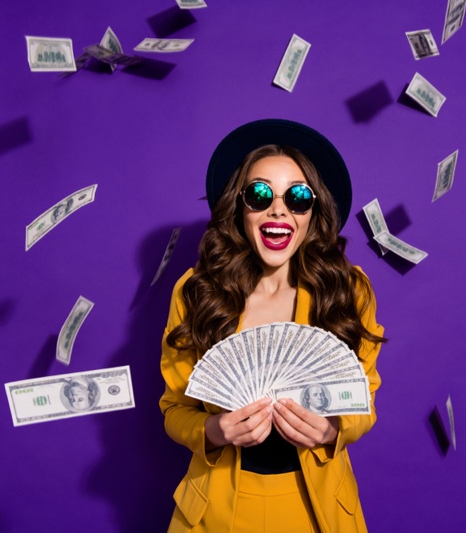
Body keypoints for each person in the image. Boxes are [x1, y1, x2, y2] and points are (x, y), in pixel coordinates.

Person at [159, 118, 386, 533]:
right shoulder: (197, 292)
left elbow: (365, 397)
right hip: (215, 509)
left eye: (298, 197)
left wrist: (334, 428)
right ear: (239, 208)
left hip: (316, 509)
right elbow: (174, 409)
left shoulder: (347, 291)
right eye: (260, 194)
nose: (278, 208)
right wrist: (214, 429)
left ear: (313, 212)